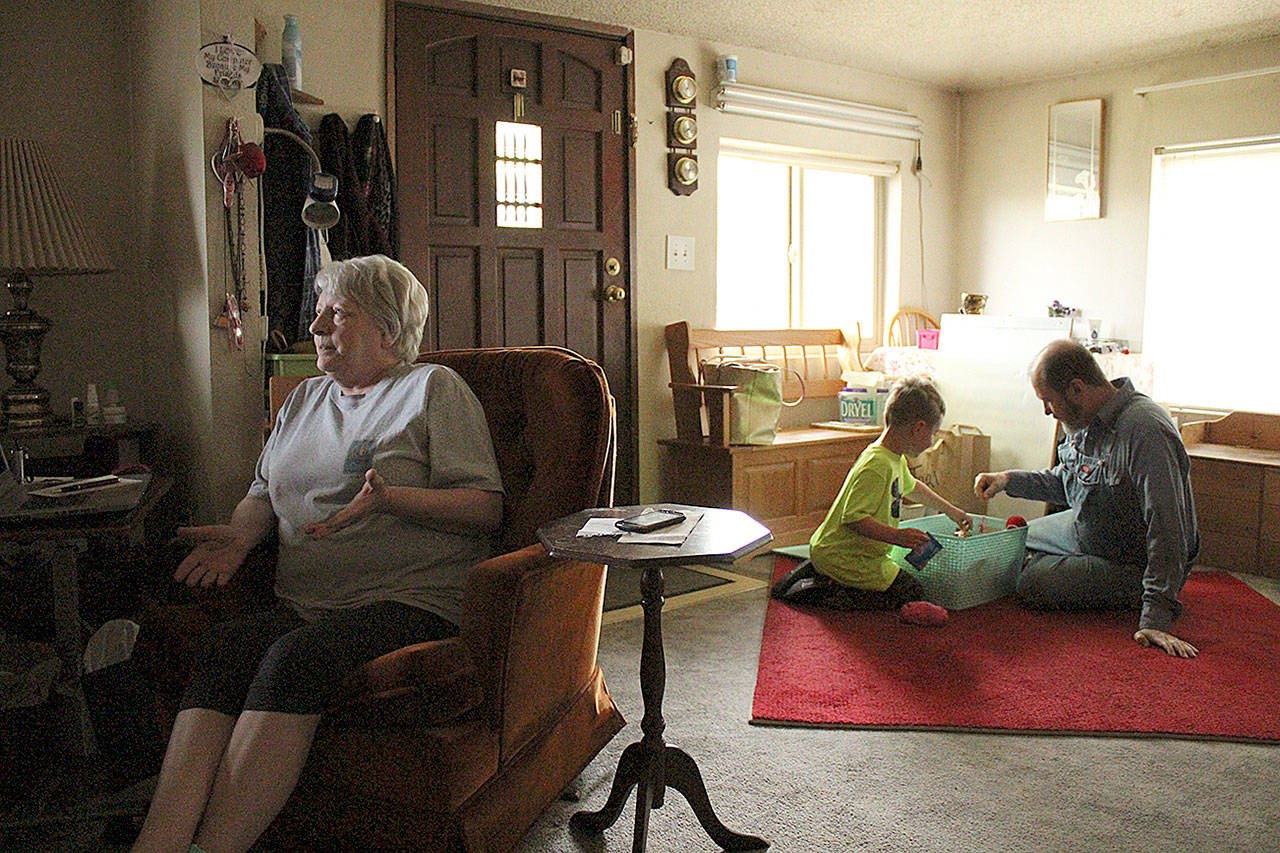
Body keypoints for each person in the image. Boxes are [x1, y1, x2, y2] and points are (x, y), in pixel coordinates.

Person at [132, 255, 504, 853]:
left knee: (293, 659)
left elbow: (485, 507)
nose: (314, 327)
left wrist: (393, 500)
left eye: (335, 314)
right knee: (227, 648)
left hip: (412, 600)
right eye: (318, 312)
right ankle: (160, 841)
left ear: (385, 327)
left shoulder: (432, 389)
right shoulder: (305, 398)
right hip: (311, 601)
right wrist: (240, 536)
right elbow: (262, 491)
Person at [973, 338, 1199, 658]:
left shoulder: (1145, 429)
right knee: (1007, 543)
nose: (1047, 411)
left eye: (1048, 401)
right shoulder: (1081, 421)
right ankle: (1058, 566)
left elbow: (1169, 528)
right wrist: (1007, 480)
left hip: (1128, 561)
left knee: (1032, 582)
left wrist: (1156, 617)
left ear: (1077, 389)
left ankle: (1123, 588)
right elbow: (1067, 483)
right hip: (1089, 528)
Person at [772, 376, 972, 623]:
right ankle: (823, 590)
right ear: (918, 428)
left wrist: (953, 511)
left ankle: (822, 572)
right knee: (910, 591)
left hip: (861, 555)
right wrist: (898, 537)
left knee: (908, 585)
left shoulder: (893, 458)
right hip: (845, 556)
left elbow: (913, 487)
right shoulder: (878, 466)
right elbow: (854, 519)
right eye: (932, 433)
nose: (931, 442)